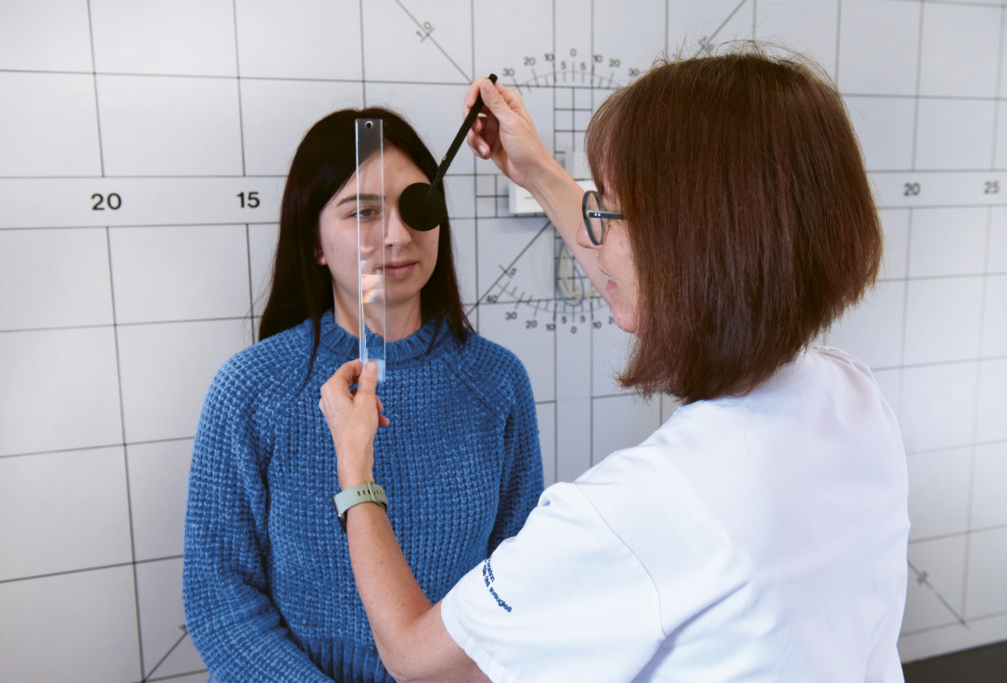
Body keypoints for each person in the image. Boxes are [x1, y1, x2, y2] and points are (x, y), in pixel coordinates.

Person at [319, 44, 911, 682]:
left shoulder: (636, 510)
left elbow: (415, 659)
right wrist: (540, 172)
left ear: (682, 248)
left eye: (609, 210)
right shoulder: (851, 395)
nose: (597, 234)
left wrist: (355, 471)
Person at [182, 107, 544, 682]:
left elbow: (518, 578)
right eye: (363, 213)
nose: (398, 236)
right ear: (317, 242)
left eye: (415, 206)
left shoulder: (497, 382)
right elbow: (219, 597)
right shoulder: (252, 389)